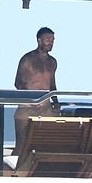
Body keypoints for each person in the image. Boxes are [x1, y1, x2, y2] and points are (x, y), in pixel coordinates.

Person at [12, 27, 61, 155]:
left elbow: (52, 84)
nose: (50, 43)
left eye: (52, 40)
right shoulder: (27, 59)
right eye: (47, 39)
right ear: (39, 40)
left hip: (45, 105)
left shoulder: (52, 62)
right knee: (22, 142)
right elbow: (18, 82)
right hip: (27, 105)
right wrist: (32, 99)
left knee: (49, 141)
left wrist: (55, 101)